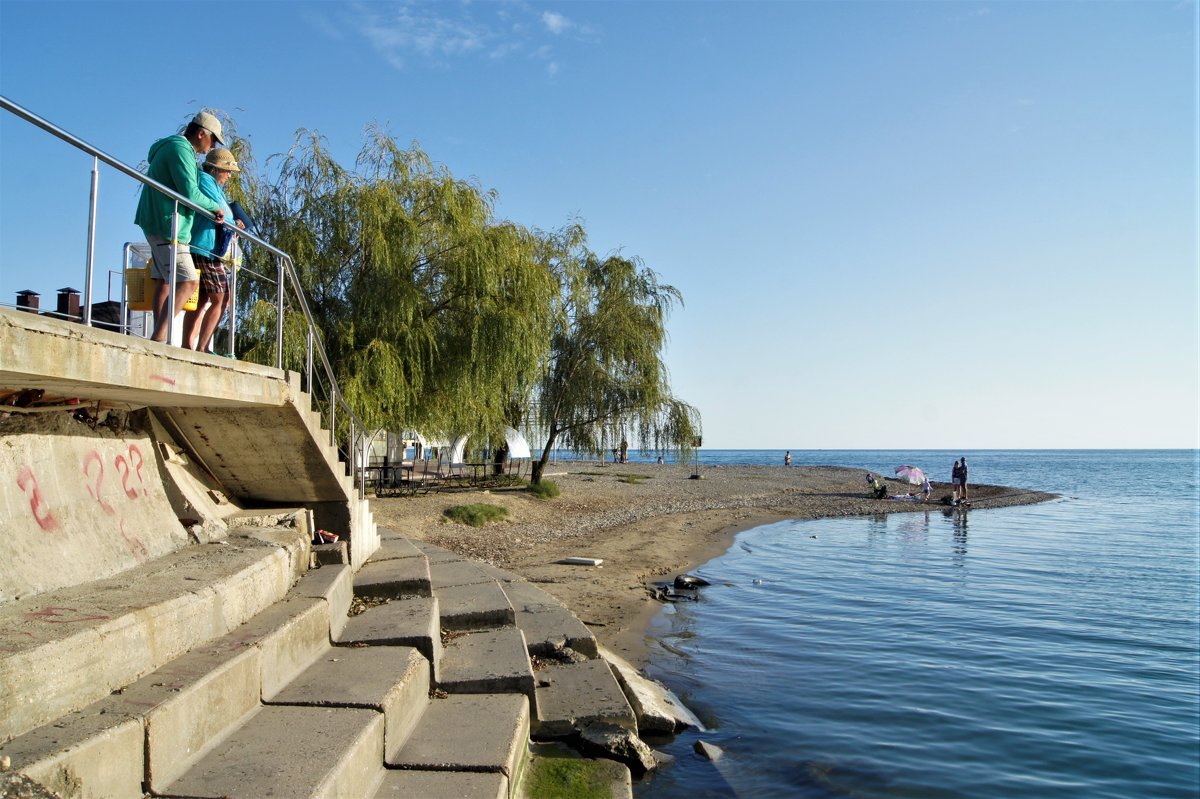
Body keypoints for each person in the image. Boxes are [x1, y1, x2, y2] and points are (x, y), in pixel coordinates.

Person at [134, 111, 227, 346]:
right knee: (188, 282)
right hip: (169, 223)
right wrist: (215, 207)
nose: (212, 145)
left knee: (165, 280)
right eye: (213, 139)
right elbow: (189, 192)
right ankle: (158, 338)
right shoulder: (181, 149)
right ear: (201, 134)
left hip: (157, 220)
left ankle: (158, 335)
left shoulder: (171, 148)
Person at [183, 148, 243, 353]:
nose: (229, 176)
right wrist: (230, 219)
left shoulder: (215, 186)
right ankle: (202, 347)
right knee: (222, 298)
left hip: (208, 246)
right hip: (205, 247)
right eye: (227, 171)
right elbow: (220, 209)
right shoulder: (206, 180)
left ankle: (190, 344)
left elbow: (224, 212)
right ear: (217, 169)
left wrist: (234, 222)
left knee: (202, 299)